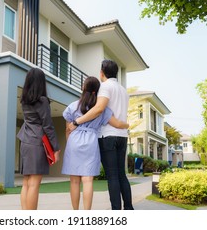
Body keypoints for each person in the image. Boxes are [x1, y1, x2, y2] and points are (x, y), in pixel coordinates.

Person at [69, 59, 134, 210]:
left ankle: (116, 211)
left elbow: (98, 109)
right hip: (122, 136)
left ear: (101, 72)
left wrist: (77, 122)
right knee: (121, 174)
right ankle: (129, 208)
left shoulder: (105, 87)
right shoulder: (123, 90)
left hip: (108, 136)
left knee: (112, 176)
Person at [17, 68, 61, 210]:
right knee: (34, 184)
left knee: (26, 183)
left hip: (25, 141)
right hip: (36, 143)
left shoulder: (24, 100)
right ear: (41, 83)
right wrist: (56, 148)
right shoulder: (42, 101)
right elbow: (47, 126)